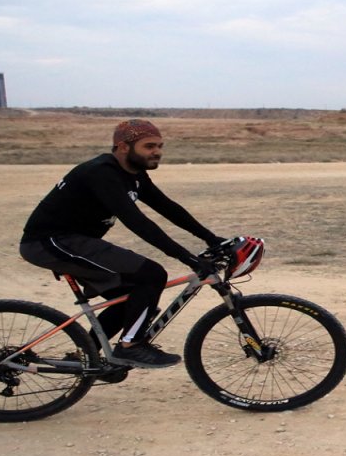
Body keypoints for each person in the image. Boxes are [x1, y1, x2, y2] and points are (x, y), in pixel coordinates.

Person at [19, 119, 227, 369]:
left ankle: (87, 356)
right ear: (123, 147)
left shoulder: (135, 175)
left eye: (160, 146)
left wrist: (211, 238)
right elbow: (136, 221)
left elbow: (168, 208)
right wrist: (187, 258)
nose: (157, 152)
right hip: (50, 242)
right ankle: (131, 346)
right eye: (149, 146)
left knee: (130, 299)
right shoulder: (101, 173)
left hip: (73, 242)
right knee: (151, 274)